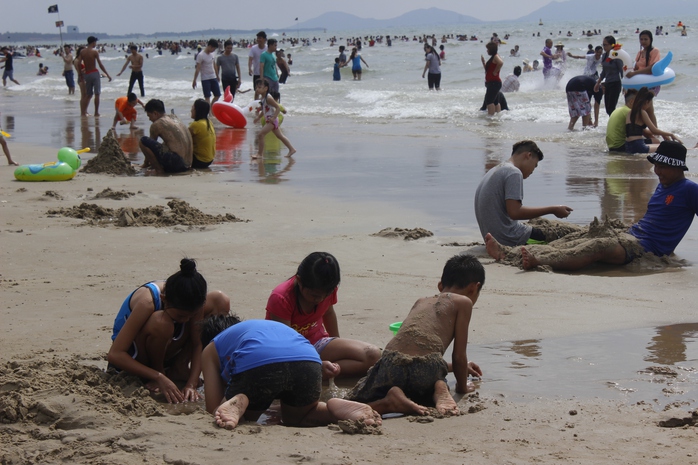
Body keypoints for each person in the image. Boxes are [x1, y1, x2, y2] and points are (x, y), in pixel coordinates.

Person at [486, 141, 698, 271]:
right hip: (633, 234)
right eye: (656, 166)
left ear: (677, 167)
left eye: (662, 167)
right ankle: (510, 253)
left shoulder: (689, 189)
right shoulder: (664, 185)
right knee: (585, 234)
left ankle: (538, 260)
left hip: (647, 248)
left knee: (598, 246)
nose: (656, 172)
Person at [346, 254, 484, 416]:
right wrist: (462, 386)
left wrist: (454, 368)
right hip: (427, 369)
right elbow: (458, 355)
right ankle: (439, 387)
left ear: (440, 286)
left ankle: (390, 398)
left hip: (389, 363)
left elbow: (411, 356)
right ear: (474, 288)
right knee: (424, 385)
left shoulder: (420, 301)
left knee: (359, 400)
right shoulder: (463, 302)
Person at [200, 315, 381, 430]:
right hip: (309, 359)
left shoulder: (211, 347)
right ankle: (332, 408)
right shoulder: (256, 328)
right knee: (301, 417)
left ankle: (242, 404)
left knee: (226, 413)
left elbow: (211, 406)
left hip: (259, 360)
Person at [107, 258, 230, 404]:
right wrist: (158, 376)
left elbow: (198, 344)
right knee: (162, 322)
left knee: (219, 300)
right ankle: (158, 372)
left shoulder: (193, 301)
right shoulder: (147, 302)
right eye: (181, 316)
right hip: (137, 355)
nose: (186, 320)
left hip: (169, 349)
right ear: (164, 299)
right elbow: (115, 354)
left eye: (191, 316)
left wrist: (191, 383)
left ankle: (179, 367)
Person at [265, 252, 380, 378]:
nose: (320, 299)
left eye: (325, 295)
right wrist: (316, 364)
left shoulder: (327, 288)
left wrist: (338, 345)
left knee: (373, 355)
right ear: (299, 281)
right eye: (314, 295)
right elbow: (285, 345)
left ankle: (318, 373)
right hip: (288, 353)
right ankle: (312, 372)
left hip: (317, 342)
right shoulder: (281, 298)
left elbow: (329, 313)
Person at [474, 140, 573, 246]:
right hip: (509, 239)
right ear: (528, 155)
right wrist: (553, 209)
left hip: (494, 236)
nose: (533, 171)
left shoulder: (496, 170)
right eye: (535, 165)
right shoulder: (514, 173)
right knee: (567, 238)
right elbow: (515, 212)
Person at [139, 99, 193, 174]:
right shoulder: (175, 118)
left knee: (143, 141)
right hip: (188, 164)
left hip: (177, 163)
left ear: (155, 113)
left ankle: (158, 170)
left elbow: (149, 146)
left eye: (149, 116)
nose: (149, 119)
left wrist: (145, 164)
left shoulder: (157, 124)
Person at [625, 87, 681, 154]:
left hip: (628, 146)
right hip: (638, 146)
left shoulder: (630, 112)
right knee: (669, 148)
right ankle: (692, 149)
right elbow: (654, 130)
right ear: (647, 102)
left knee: (659, 144)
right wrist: (671, 134)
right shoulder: (642, 112)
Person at [252, 78, 296, 158]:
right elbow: (264, 110)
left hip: (272, 121)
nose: (257, 89)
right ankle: (292, 149)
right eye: (256, 87)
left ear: (266, 88)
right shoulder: (263, 98)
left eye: (259, 87)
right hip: (270, 120)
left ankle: (259, 154)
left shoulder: (268, 98)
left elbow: (278, 108)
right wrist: (258, 117)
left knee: (261, 135)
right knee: (280, 136)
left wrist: (273, 117)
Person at [625, 30, 661, 124]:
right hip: (639, 83)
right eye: (641, 39)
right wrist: (627, 84)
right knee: (645, 109)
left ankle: (654, 132)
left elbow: (651, 68)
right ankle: (651, 132)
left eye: (646, 39)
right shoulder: (640, 53)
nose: (643, 41)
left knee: (648, 108)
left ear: (651, 40)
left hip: (651, 83)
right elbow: (635, 67)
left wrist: (634, 74)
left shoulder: (655, 51)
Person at [75, 36, 112, 116]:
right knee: (97, 94)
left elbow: (78, 63)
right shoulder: (94, 52)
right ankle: (96, 112)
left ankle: (83, 112)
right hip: (94, 72)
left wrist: (80, 74)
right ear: (93, 42)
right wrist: (108, 74)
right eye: (95, 42)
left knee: (88, 94)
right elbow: (100, 64)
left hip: (87, 74)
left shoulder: (83, 52)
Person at [594, 36, 624, 116]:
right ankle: (614, 123)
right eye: (603, 45)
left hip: (615, 83)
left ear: (612, 45)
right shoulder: (604, 56)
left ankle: (615, 125)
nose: (604, 47)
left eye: (606, 45)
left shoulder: (616, 55)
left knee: (611, 107)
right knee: (607, 108)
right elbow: (604, 71)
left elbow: (622, 71)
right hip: (607, 83)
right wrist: (598, 83)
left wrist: (625, 86)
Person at [189, 99, 216, 169]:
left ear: (197, 110)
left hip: (200, 161)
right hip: (209, 160)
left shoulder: (196, 125)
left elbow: (182, 138)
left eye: (193, 108)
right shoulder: (209, 122)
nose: (191, 110)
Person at [192, 39, 220, 105]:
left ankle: (211, 109)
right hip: (205, 78)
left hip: (213, 77)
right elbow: (198, 68)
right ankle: (209, 113)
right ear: (210, 46)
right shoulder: (200, 55)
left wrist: (217, 75)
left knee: (217, 95)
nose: (214, 50)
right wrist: (194, 80)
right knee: (207, 97)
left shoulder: (212, 54)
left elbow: (214, 65)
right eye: (214, 48)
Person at [481, 41, 503, 115]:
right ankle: (497, 116)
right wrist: (484, 63)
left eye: (488, 49)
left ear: (491, 49)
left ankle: (491, 118)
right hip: (493, 83)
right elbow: (488, 71)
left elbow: (501, 63)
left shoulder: (495, 56)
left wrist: (495, 72)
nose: (487, 51)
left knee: (489, 101)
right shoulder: (493, 57)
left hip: (494, 83)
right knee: (495, 101)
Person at [248, 31, 267, 97]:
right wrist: (250, 69)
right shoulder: (254, 48)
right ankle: (256, 105)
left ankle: (264, 104)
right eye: (257, 38)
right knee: (257, 90)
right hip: (256, 73)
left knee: (265, 90)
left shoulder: (267, 48)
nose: (258, 39)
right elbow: (250, 59)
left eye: (260, 38)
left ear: (264, 39)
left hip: (266, 73)